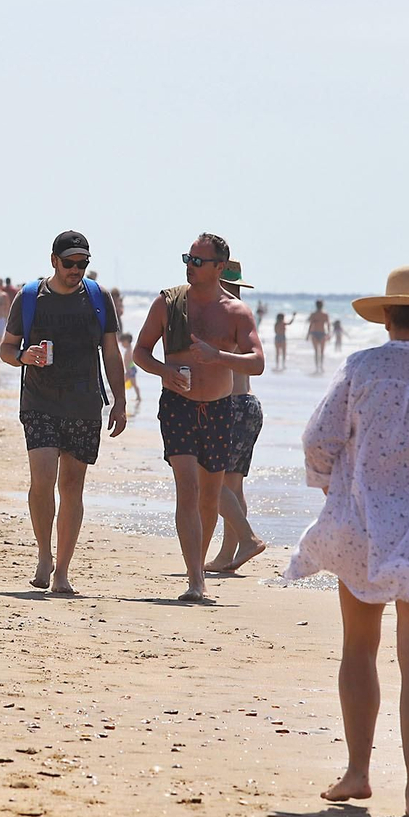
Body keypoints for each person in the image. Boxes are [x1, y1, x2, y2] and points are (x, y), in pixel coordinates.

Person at [284, 265, 409, 817]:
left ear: (386, 319)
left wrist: (333, 487)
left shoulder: (361, 368)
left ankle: (357, 772)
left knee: (359, 647)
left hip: (363, 527)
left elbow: (317, 438)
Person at [133, 233, 263, 603]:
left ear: (219, 267)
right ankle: (195, 578)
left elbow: (257, 362)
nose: (190, 266)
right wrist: (164, 371)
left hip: (220, 409)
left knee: (209, 497)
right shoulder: (168, 303)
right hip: (178, 405)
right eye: (188, 259)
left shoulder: (236, 312)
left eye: (198, 261)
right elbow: (140, 351)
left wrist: (218, 355)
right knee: (187, 488)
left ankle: (200, 569)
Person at [1, 231, 126, 594]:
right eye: (69, 263)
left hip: (84, 405)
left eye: (82, 263)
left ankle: (62, 571)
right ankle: (44, 555)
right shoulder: (30, 297)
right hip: (39, 402)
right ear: (53, 260)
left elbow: (111, 352)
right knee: (42, 480)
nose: (76, 269)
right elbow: (6, 349)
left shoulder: (98, 297)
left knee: (72, 487)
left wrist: (120, 400)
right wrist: (24, 356)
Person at [206, 261, 268, 574]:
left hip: (231, 405)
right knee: (232, 486)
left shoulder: (224, 313)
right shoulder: (243, 314)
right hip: (249, 405)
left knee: (208, 479)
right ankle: (228, 555)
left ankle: (247, 539)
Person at [306, 300, 331, 373]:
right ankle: (318, 367)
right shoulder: (316, 314)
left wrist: (329, 334)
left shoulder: (323, 314)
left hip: (320, 333)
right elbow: (311, 324)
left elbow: (328, 324)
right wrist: (329, 334)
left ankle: (320, 366)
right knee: (319, 351)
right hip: (317, 333)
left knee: (319, 352)